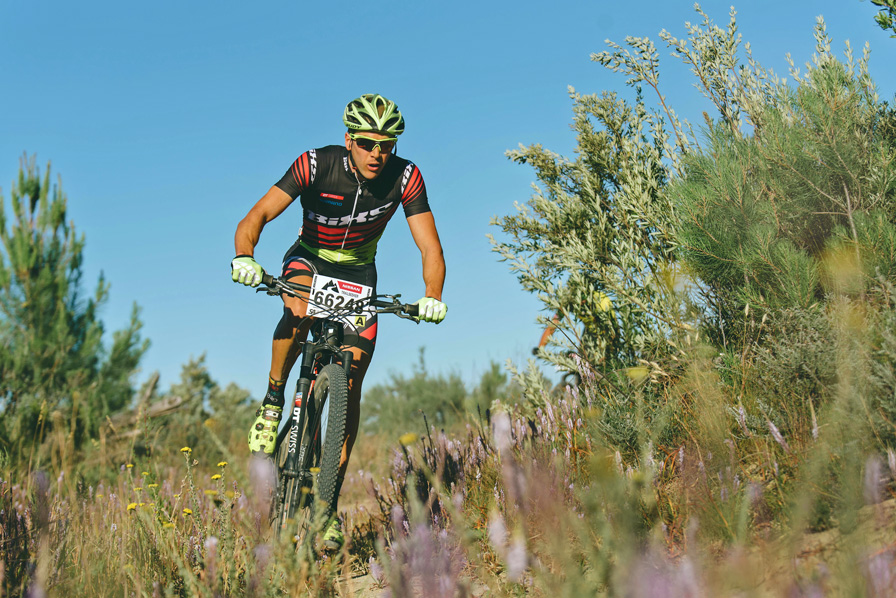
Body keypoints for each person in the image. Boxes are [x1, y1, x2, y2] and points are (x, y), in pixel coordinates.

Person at [231, 94, 447, 549]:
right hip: (309, 258)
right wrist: (245, 255)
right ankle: (273, 402)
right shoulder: (316, 165)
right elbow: (259, 214)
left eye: (385, 144)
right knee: (299, 306)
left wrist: (432, 296)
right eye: (367, 143)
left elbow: (430, 246)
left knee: (348, 387)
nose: (376, 154)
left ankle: (326, 510)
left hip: (357, 273)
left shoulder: (406, 177)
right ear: (349, 140)